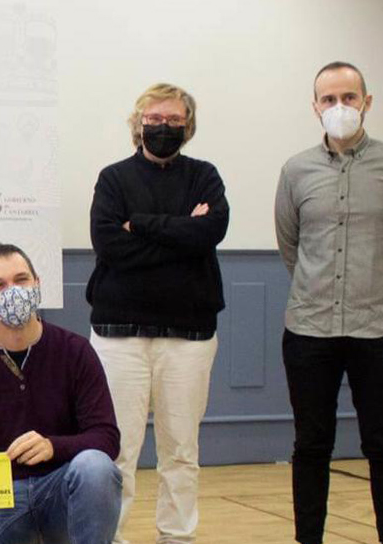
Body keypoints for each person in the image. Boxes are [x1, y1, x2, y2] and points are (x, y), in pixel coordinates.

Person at [274, 61, 383, 544]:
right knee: (310, 445)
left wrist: (381, 293)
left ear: (367, 102)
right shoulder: (295, 170)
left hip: (379, 328)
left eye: (348, 97)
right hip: (309, 329)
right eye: (329, 99)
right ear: (315, 107)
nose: (339, 107)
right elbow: (290, 245)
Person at [87, 83, 228, 544]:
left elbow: (210, 232)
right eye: (155, 119)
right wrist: (182, 233)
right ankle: (110, 536)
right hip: (119, 337)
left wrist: (142, 225)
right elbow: (111, 245)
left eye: (173, 120)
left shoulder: (205, 176)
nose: (163, 127)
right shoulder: (113, 179)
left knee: (181, 451)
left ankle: (178, 536)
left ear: (188, 126)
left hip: (188, 336)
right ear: (138, 122)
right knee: (116, 450)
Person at [0, 243, 123, 544]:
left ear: (37, 284)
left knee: (96, 467)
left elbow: (106, 437)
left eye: (21, 280)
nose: (12, 291)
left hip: (61, 492)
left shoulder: (76, 352)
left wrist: (53, 446)